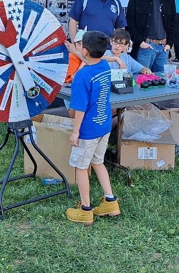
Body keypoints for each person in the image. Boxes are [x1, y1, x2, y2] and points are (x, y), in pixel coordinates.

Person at [65, 31, 120, 225]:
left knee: (81, 168)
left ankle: (86, 210)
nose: (77, 47)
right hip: (103, 124)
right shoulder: (104, 65)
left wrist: (75, 131)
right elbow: (93, 58)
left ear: (85, 50)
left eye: (79, 45)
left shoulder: (82, 76)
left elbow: (79, 108)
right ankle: (110, 202)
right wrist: (76, 51)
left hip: (87, 129)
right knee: (98, 162)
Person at [126, 0, 176, 73]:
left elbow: (173, 23)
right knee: (142, 81)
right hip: (145, 47)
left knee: (161, 83)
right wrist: (140, 42)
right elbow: (129, 23)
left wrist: (169, 44)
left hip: (163, 48)